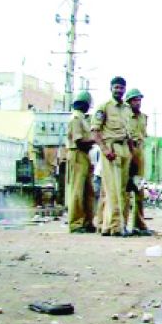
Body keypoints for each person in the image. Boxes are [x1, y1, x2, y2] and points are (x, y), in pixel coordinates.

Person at [91, 77, 133, 236]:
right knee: (113, 189)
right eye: (116, 87)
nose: (119, 90)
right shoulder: (104, 107)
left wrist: (131, 152)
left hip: (124, 149)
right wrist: (104, 149)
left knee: (122, 189)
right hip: (111, 149)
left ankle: (110, 226)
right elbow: (95, 130)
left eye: (121, 88)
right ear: (111, 88)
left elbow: (129, 133)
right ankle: (115, 226)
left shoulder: (127, 109)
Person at [65, 91, 96, 233]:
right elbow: (79, 141)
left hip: (85, 155)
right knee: (77, 190)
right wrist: (97, 139)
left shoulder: (83, 118)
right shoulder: (76, 118)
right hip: (77, 154)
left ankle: (87, 221)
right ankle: (75, 223)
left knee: (88, 191)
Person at [124, 88, 149, 234]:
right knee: (125, 189)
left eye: (139, 99)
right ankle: (123, 222)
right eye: (134, 100)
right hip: (127, 151)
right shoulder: (124, 116)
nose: (137, 102)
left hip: (139, 152)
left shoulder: (143, 117)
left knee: (139, 189)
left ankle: (139, 223)